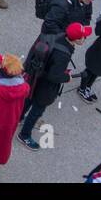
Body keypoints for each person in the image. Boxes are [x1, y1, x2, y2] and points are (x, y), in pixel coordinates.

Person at [18, 22, 89, 150]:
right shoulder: (64, 55)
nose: (85, 38)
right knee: (37, 111)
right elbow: (54, 76)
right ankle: (24, 135)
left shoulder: (59, 36)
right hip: (45, 88)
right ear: (77, 39)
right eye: (84, 36)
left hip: (36, 78)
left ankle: (18, 118)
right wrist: (67, 77)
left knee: (28, 100)